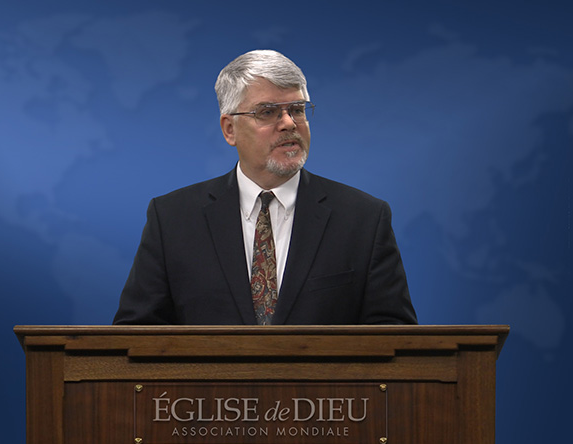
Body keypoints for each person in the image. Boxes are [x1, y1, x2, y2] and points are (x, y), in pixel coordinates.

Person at [112, 50, 416, 325]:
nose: (289, 123)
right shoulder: (172, 218)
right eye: (267, 112)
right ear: (229, 129)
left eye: (297, 109)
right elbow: (135, 336)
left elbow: (396, 340)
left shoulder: (364, 218)